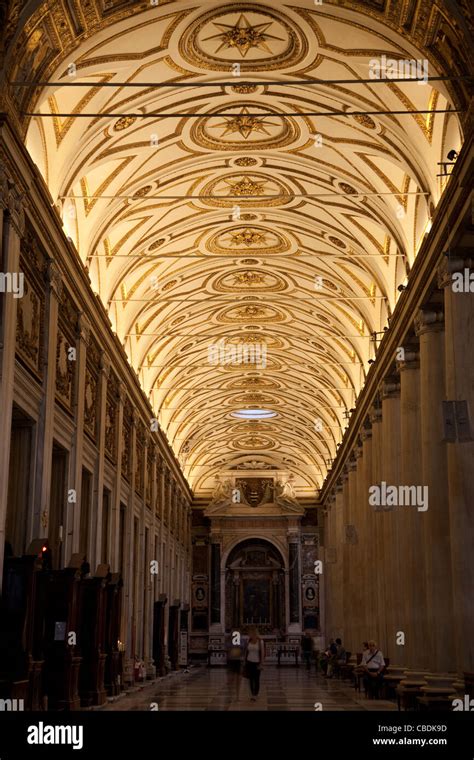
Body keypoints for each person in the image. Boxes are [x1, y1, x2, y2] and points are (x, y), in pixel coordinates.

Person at [243, 626, 265, 701]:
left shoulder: (260, 641)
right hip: (249, 662)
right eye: (249, 633)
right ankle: (252, 694)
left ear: (255, 633)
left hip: (257, 662)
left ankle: (256, 693)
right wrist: (244, 661)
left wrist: (261, 663)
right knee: (251, 679)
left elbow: (262, 653)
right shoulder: (248, 641)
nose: (250, 635)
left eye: (251, 633)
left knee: (256, 679)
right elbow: (246, 652)